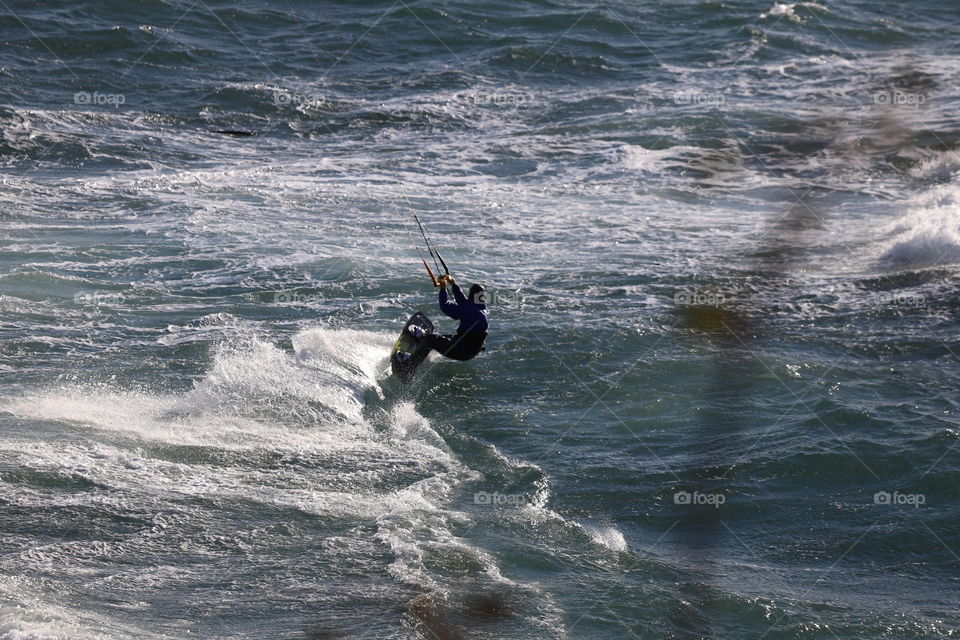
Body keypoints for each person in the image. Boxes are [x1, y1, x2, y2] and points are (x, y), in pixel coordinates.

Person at [409, 274, 489, 361]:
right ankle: (421, 345)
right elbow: (464, 302)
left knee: (430, 340)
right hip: (469, 348)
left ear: (471, 294)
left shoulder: (469, 310)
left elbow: (445, 306)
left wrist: (443, 289)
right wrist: (454, 284)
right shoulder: (483, 308)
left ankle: (408, 365)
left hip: (461, 350)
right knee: (437, 339)